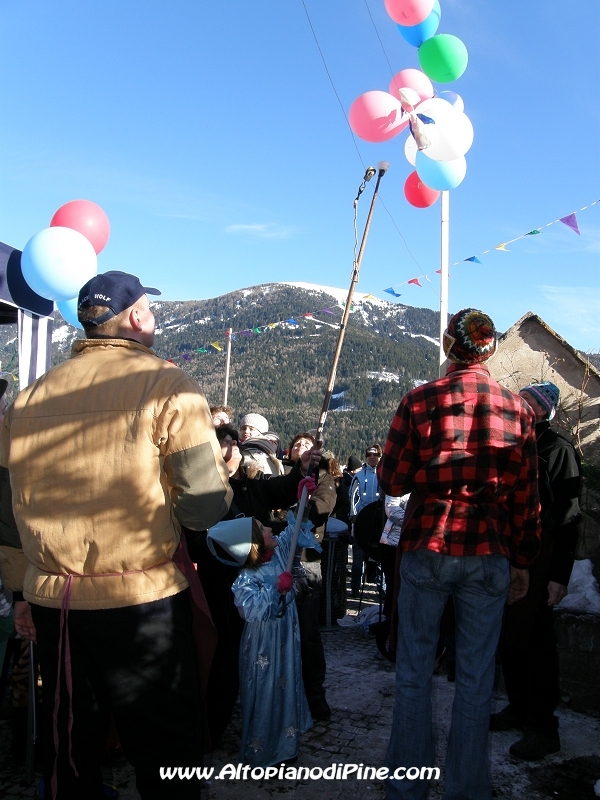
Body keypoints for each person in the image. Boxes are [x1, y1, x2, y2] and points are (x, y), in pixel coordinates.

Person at [0, 271, 232, 799]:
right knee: (166, 753)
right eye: (150, 308)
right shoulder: (168, 385)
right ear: (134, 318)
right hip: (140, 600)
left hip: (54, 604)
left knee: (70, 749)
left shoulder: (28, 399)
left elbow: (8, 509)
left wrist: (20, 592)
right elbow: (202, 509)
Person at [378, 308, 541, 800]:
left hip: (427, 544)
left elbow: (390, 481)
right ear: (489, 351)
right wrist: (523, 561)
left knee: (413, 673)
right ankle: (466, 789)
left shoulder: (418, 401)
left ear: (450, 347)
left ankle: (408, 789)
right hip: (488, 549)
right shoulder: (518, 410)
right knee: (475, 680)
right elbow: (526, 500)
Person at [187, 424, 321, 744]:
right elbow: (198, 540)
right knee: (225, 654)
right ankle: (212, 728)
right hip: (222, 585)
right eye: (218, 442)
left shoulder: (253, 482)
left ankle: (262, 723)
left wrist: (301, 472)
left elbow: (283, 488)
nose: (226, 448)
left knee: (258, 659)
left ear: (234, 445)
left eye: (228, 441)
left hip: (259, 586)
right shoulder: (201, 490)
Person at [492, 381, 581, 760]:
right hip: (508, 553)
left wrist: (560, 576)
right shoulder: (510, 445)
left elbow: (569, 517)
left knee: (537, 642)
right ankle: (518, 706)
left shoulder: (556, 450)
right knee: (509, 638)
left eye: (525, 402)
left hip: (541, 559)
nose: (516, 406)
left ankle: (544, 728)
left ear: (542, 411)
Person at [207, 515, 317, 767]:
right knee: (266, 691)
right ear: (254, 543)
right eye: (262, 528)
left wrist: (303, 496)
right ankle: (264, 753)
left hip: (285, 638)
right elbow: (250, 610)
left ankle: (287, 747)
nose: (270, 528)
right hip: (263, 644)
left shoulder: (279, 553)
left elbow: (295, 528)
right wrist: (276, 589)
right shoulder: (246, 576)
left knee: (287, 685)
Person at [285, 432, 337, 721]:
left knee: (308, 631)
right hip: (277, 561)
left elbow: (321, 506)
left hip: (306, 561)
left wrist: (293, 512)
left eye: (307, 444)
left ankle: (314, 694)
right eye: (297, 445)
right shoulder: (283, 476)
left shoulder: (323, 478)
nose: (302, 448)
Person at [349, 445, 382, 596]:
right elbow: (353, 497)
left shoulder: (384, 475)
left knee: (381, 557)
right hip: (362, 521)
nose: (372, 457)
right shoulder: (359, 476)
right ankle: (355, 587)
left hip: (379, 521)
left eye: (375, 455)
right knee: (358, 556)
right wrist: (353, 515)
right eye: (369, 454)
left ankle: (382, 590)